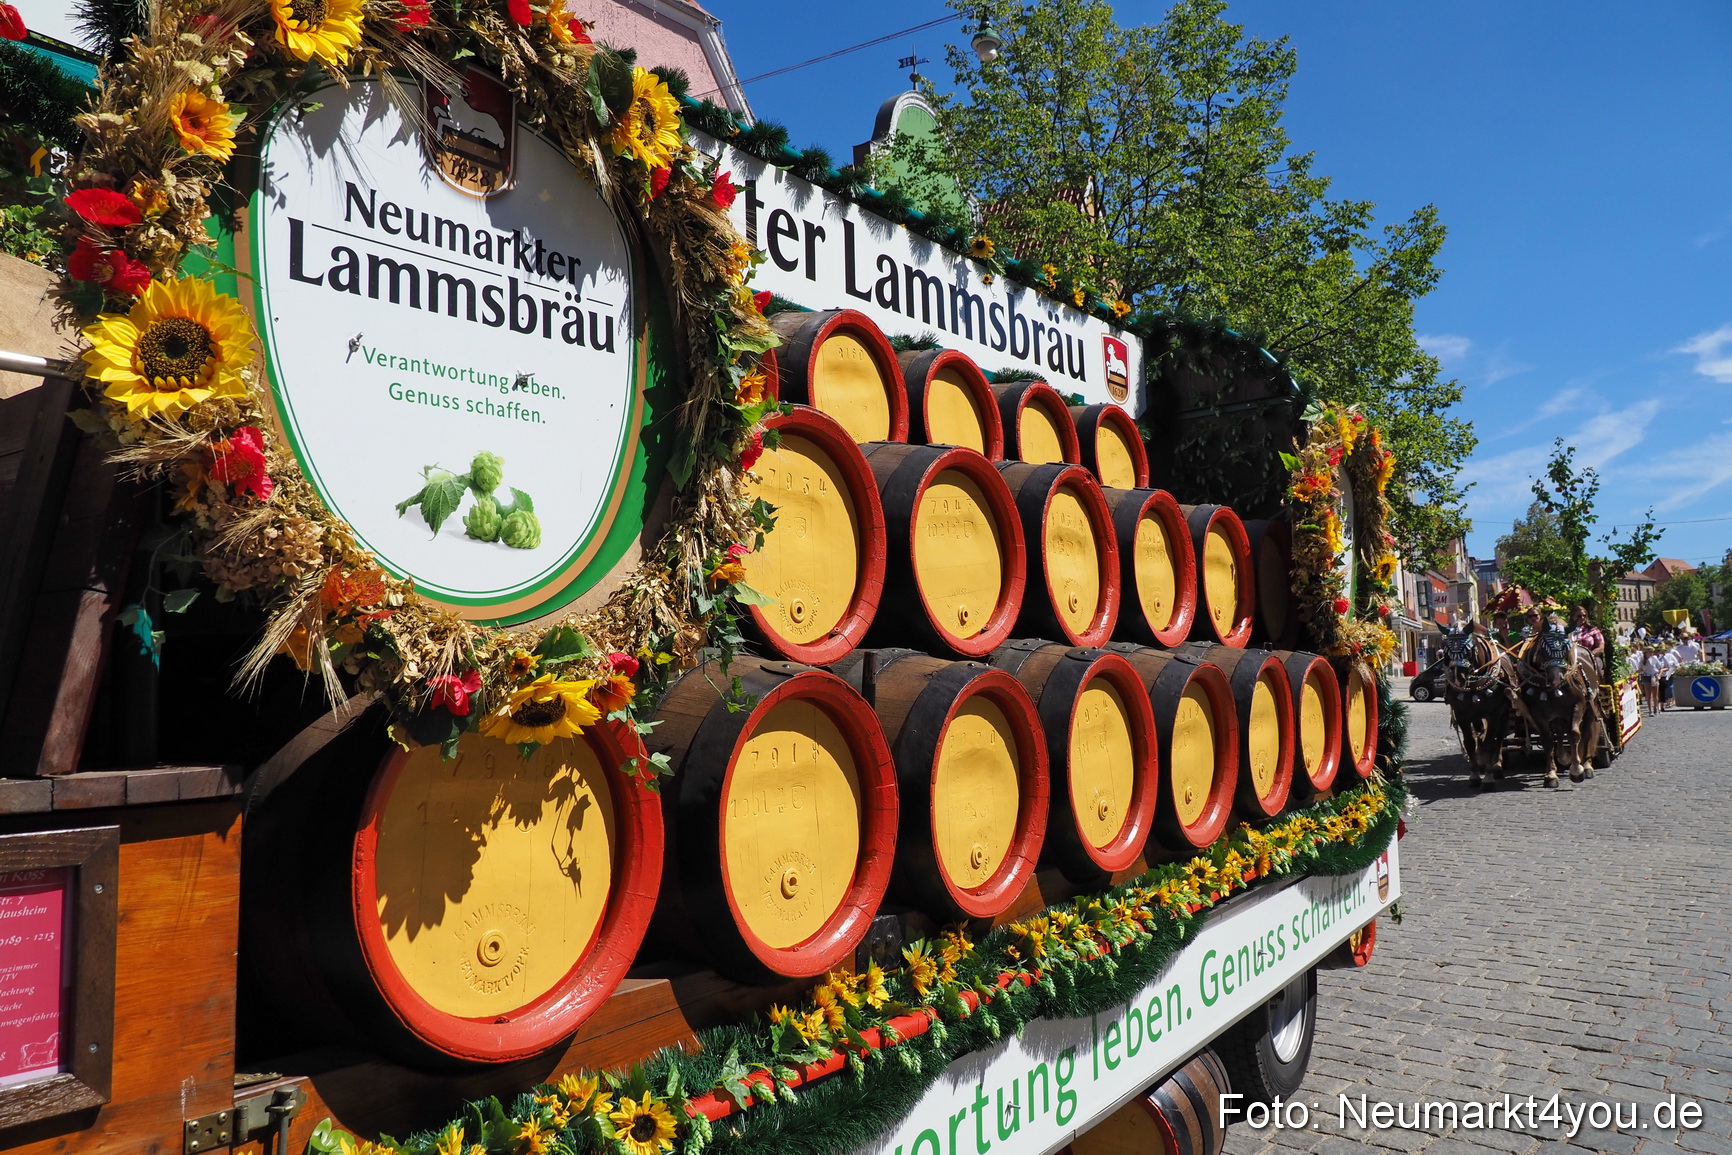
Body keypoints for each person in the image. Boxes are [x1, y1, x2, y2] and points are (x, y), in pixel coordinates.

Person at [1640, 646, 1663, 715]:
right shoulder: (1642, 660)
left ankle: (1656, 708)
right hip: (1646, 676)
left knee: (1655, 694)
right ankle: (1650, 710)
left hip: (1654, 676)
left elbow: (1660, 668)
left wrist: (1659, 675)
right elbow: (1639, 670)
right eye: (1650, 652)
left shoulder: (1655, 658)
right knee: (1648, 694)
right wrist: (1641, 670)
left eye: (1652, 652)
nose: (1651, 653)